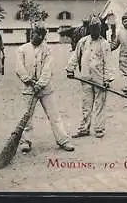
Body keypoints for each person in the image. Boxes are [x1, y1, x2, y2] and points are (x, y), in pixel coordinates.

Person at [15, 25, 75, 153]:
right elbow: (19, 68)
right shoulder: (22, 49)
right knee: (27, 116)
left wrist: (40, 84)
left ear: (42, 36)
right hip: (29, 88)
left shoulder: (48, 50)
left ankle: (63, 140)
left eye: (36, 33)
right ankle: (25, 141)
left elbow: (48, 69)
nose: (33, 35)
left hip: (45, 88)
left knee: (54, 116)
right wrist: (29, 80)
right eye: (32, 33)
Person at [66, 16, 115, 139]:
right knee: (86, 105)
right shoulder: (82, 42)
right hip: (86, 78)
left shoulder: (104, 44)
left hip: (100, 79)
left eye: (97, 28)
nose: (95, 31)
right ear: (89, 29)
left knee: (100, 105)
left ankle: (99, 129)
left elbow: (108, 63)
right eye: (93, 28)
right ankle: (84, 128)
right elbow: (75, 57)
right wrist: (70, 69)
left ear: (100, 29)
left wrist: (108, 79)